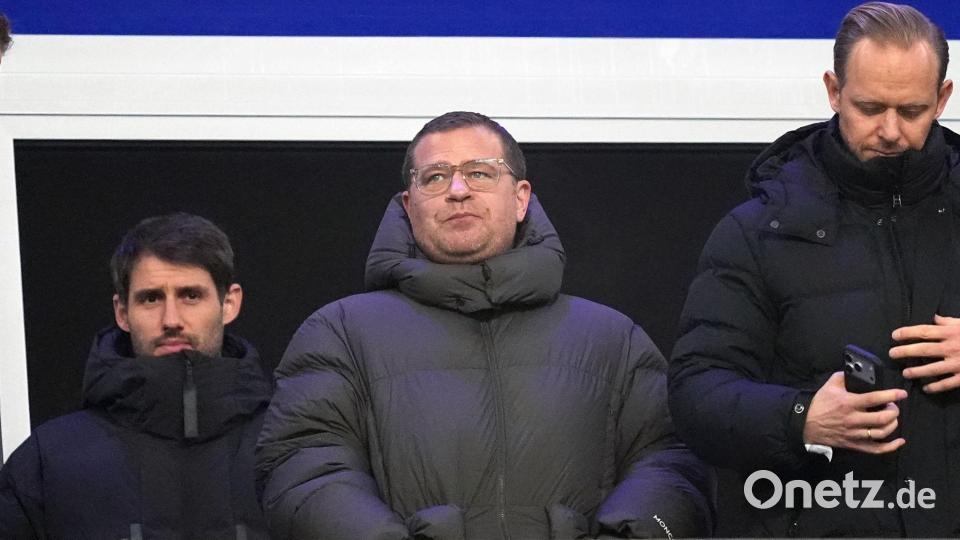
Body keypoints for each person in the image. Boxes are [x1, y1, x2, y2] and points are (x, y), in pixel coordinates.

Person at [256, 111, 713, 539]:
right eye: (435, 177)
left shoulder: (614, 338)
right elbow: (303, 469)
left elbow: (670, 464)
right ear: (408, 204)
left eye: (479, 172)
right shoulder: (340, 333)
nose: (458, 189)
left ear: (521, 198)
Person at [669, 2, 960, 537]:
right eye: (869, 107)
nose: (890, 130)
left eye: (912, 110)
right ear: (833, 91)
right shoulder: (758, 230)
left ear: (943, 97)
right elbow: (695, 395)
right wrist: (801, 417)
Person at [0, 213, 271, 539]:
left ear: (229, 303)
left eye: (191, 295)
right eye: (151, 298)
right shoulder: (49, 461)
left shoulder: (291, 449)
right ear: (122, 312)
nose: (171, 319)